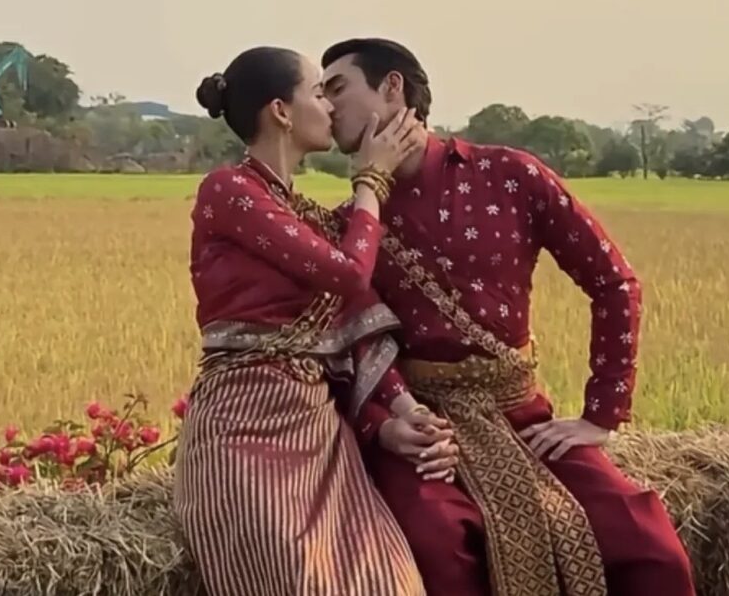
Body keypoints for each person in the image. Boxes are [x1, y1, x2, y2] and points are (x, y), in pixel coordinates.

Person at [307, 38, 696, 596]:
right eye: (319, 93)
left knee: (649, 549)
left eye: (338, 88)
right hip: (422, 427)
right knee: (440, 545)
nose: (326, 104)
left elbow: (614, 283)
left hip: (522, 417)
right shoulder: (354, 224)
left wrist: (601, 416)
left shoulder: (510, 175)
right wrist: (386, 427)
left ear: (392, 87)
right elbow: (350, 345)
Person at [173, 45, 447, 596]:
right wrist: (370, 182)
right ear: (281, 111)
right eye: (319, 94)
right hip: (244, 425)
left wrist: (409, 411)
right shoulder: (228, 190)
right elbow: (349, 274)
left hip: (320, 433)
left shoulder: (306, 216)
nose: (330, 107)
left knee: (389, 584)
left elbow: (356, 321)